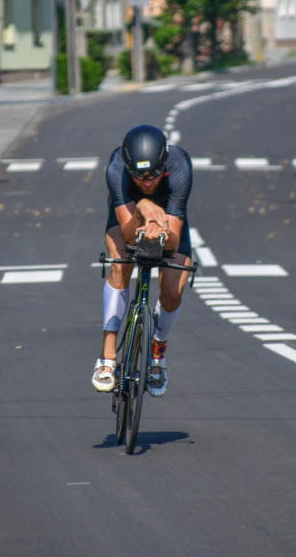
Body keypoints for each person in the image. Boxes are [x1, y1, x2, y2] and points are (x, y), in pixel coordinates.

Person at [92, 124, 193, 397]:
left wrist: (160, 228)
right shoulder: (116, 169)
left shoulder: (181, 167)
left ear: (165, 164)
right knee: (120, 263)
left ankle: (158, 353)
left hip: (168, 221)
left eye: (154, 174)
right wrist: (141, 208)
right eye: (139, 175)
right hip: (128, 215)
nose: (147, 182)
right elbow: (126, 234)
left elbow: (172, 242)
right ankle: (108, 356)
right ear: (128, 168)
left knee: (173, 290)